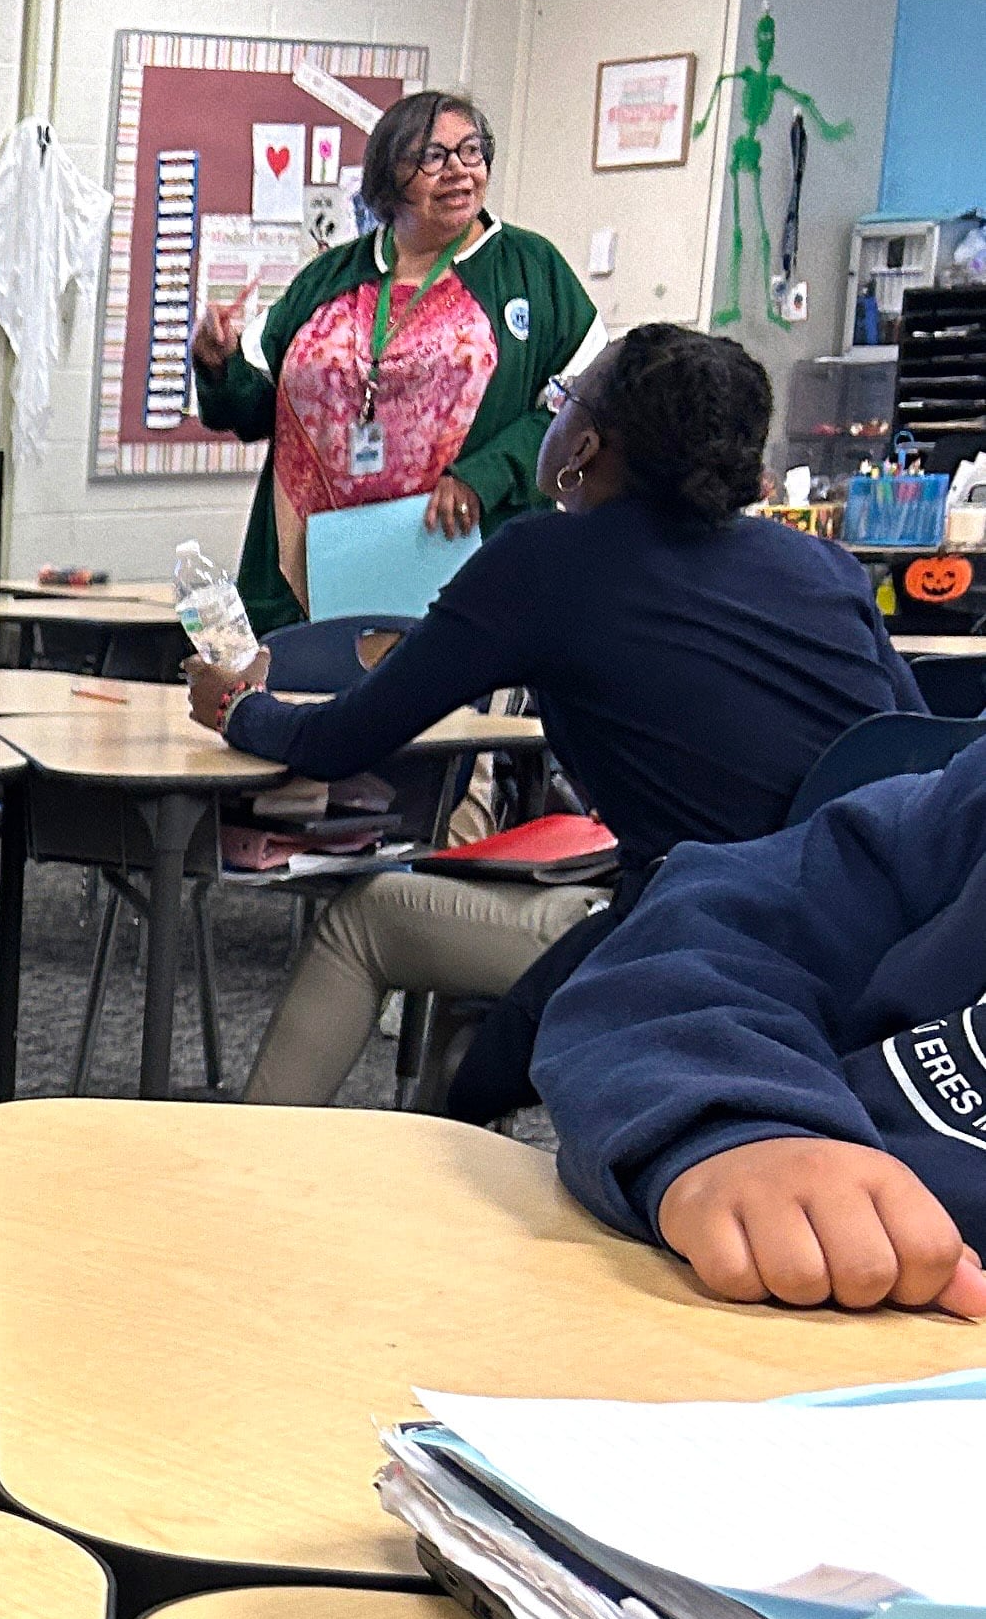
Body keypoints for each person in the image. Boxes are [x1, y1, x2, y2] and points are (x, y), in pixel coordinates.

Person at [189, 323, 920, 1110]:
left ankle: (254, 1172)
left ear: (587, 446)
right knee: (492, 1022)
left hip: (705, 933)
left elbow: (339, 741)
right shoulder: (824, 565)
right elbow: (919, 754)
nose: (554, 414)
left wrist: (240, 708)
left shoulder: (540, 565)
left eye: (561, 401)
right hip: (886, 935)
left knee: (365, 921)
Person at [533, 737, 986, 1321]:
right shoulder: (953, 816)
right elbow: (707, 933)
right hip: (745, 1276)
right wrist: (739, 1129)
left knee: (382, 920)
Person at [189, 90, 595, 632]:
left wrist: (486, 475)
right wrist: (217, 366)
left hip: (457, 559)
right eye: (432, 157)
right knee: (300, 704)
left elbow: (580, 409)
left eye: (471, 152)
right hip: (312, 567)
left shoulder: (530, 269)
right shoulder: (330, 276)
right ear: (387, 178)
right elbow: (251, 406)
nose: (457, 171)